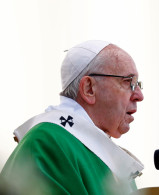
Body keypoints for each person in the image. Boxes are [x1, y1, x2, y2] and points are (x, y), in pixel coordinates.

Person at [0, 40, 144, 194]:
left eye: (138, 85)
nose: (139, 96)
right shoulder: (49, 142)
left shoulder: (106, 155)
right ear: (89, 88)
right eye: (128, 82)